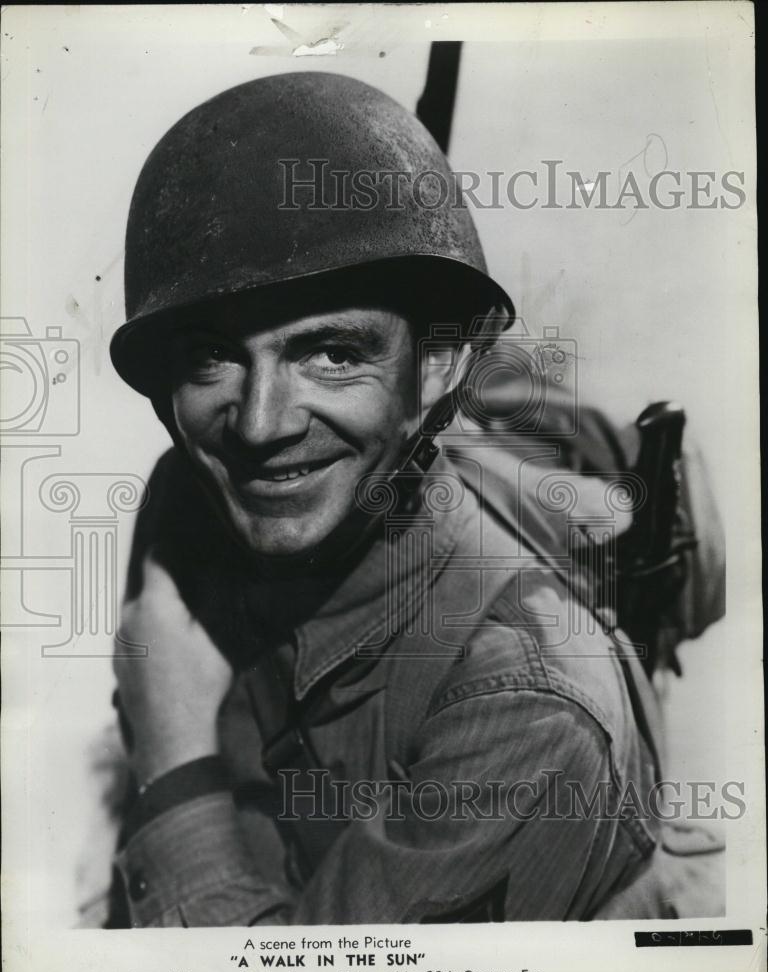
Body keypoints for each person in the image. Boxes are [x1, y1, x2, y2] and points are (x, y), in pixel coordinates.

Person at [106, 71, 681, 928]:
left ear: (437, 369)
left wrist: (173, 765)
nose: (260, 425)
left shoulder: (527, 710)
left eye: (333, 353)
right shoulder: (190, 501)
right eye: (210, 358)